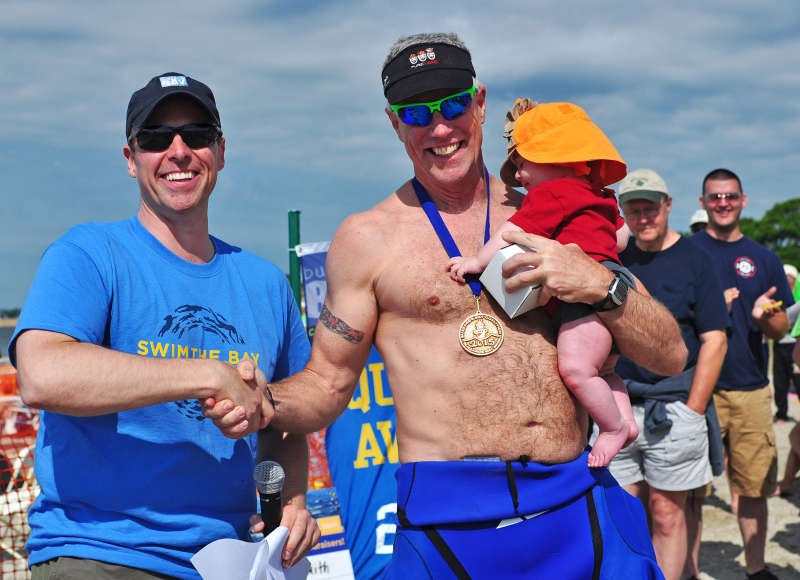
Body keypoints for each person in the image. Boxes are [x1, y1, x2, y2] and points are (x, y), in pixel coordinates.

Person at [208, 32, 687, 578]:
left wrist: (600, 283)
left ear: (480, 104)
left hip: (574, 504)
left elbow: (670, 354)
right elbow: (328, 383)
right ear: (395, 124)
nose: (439, 127)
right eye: (416, 113)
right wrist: (262, 399)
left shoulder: (555, 208)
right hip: (447, 524)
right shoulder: (369, 239)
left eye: (453, 104)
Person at [9, 72, 319, 579]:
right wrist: (209, 374)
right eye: (156, 138)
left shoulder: (264, 283)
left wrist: (291, 501)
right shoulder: (89, 254)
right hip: (103, 552)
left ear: (219, 151)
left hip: (234, 560)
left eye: (196, 135)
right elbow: (41, 376)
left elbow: (283, 423)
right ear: (132, 160)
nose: (179, 151)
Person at [447, 101, 637, 467]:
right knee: (606, 370)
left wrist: (475, 261)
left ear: (559, 157)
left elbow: (511, 232)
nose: (518, 177)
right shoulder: (599, 195)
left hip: (584, 302)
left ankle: (612, 428)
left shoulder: (553, 194)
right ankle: (627, 421)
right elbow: (622, 239)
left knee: (578, 369)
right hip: (614, 283)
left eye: (524, 164)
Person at [602, 168, 729, 580]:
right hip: (618, 408)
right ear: (623, 213)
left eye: (650, 208)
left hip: (674, 405)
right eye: (634, 210)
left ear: (667, 206)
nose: (643, 218)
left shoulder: (697, 259)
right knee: (622, 511)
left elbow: (715, 339)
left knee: (668, 513)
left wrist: (693, 410)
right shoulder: (616, 261)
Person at [691, 168, 793, 580]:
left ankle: (756, 569)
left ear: (743, 200)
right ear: (702, 203)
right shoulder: (686, 252)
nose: (723, 203)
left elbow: (781, 327)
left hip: (751, 387)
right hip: (697, 386)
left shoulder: (765, 259)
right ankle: (686, 570)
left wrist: (765, 319)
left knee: (753, 487)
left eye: (730, 196)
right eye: (715, 197)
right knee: (689, 491)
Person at [773, 264, 800, 422]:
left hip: (793, 343)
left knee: (797, 380)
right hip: (780, 343)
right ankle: (781, 414)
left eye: (789, 278)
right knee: (780, 381)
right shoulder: (776, 295)